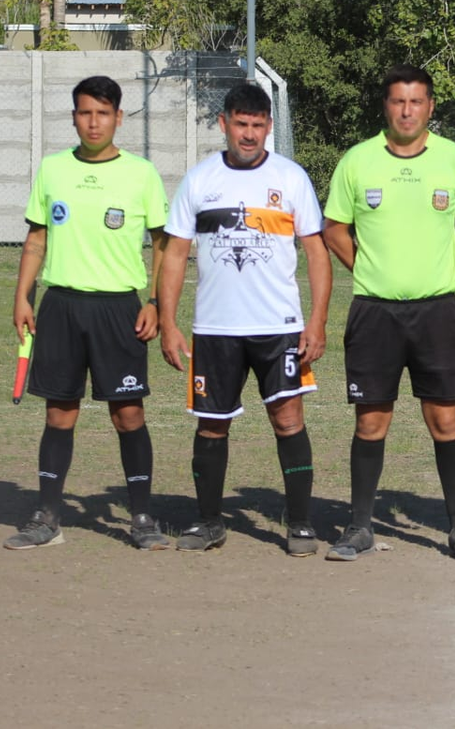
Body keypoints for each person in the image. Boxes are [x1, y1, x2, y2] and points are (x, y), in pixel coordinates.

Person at [158, 83, 332, 557]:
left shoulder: (291, 178)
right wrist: (168, 322)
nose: (249, 134)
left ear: (269, 126)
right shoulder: (199, 180)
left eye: (258, 125)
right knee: (211, 425)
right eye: (241, 124)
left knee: (288, 419)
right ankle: (209, 522)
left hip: (279, 327)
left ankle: (300, 525)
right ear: (224, 124)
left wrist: (316, 321)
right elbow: (174, 254)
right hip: (215, 328)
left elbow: (317, 253)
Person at [322, 63, 455, 562]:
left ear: (430, 107)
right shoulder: (357, 161)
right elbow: (334, 229)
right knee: (370, 422)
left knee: (445, 420)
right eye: (398, 101)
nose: (407, 111)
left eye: (416, 101)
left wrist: (443, 266)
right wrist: (369, 268)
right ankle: (359, 527)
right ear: (386, 106)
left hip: (437, 312)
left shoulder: (454, 160)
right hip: (374, 313)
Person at [6, 75, 170, 551]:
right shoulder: (53, 169)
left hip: (119, 309)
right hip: (61, 306)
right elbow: (36, 238)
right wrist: (22, 296)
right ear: (74, 117)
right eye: (85, 113)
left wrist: (156, 303)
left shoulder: (141, 173)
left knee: (128, 414)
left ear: (119, 118)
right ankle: (47, 517)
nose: (93, 122)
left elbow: (163, 244)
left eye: (102, 113)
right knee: (59, 413)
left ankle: (142, 517)